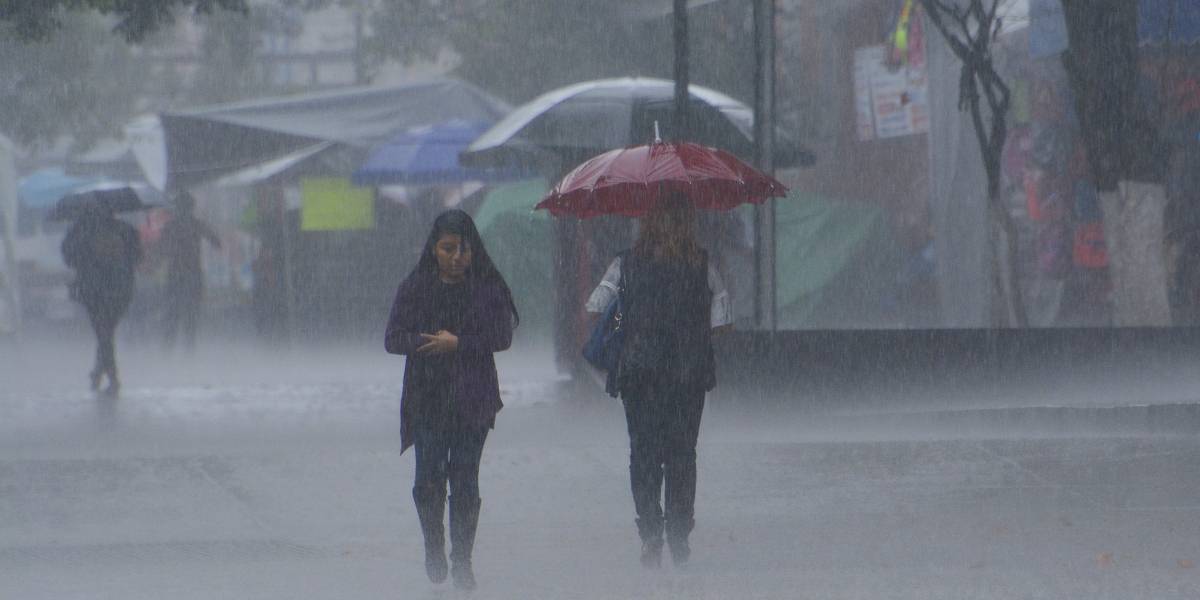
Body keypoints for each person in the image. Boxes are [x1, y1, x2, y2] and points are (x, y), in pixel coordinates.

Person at [585, 193, 731, 569]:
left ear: (646, 223)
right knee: (682, 454)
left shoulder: (626, 263)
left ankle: (651, 532)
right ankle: (679, 535)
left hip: (640, 372)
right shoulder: (703, 264)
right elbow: (722, 321)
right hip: (688, 372)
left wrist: (630, 311)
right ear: (688, 223)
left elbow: (595, 306)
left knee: (644, 453)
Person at [383, 209, 518, 590]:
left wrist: (459, 344)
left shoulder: (486, 289)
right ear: (434, 248)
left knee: (464, 479)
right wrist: (427, 343)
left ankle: (462, 559)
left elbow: (502, 336)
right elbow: (393, 338)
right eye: (448, 248)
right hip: (427, 398)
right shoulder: (415, 288)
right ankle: (434, 545)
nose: (457, 257)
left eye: (464, 249)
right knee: (428, 480)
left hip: (473, 397)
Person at [61, 203, 143, 396]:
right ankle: (100, 373)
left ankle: (111, 377)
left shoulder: (80, 230)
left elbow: (69, 258)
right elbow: (138, 257)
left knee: (103, 333)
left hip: (94, 290)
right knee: (106, 332)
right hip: (120, 288)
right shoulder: (125, 230)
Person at [159, 191, 221, 351]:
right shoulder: (196, 224)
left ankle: (168, 350)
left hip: (175, 274)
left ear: (177, 208)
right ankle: (188, 350)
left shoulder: (170, 226)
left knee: (173, 315)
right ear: (191, 207)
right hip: (192, 274)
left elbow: (160, 249)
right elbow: (216, 242)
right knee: (190, 316)